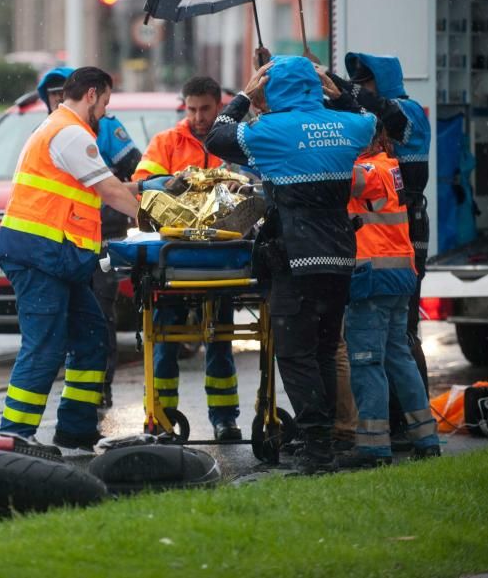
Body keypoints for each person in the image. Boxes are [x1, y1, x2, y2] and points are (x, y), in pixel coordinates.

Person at [205, 56, 376, 473]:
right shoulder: (350, 126)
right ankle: (325, 441)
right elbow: (370, 119)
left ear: (272, 88)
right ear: (317, 87)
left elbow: (216, 137)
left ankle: (316, 449)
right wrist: (337, 91)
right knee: (322, 350)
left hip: (293, 259)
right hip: (338, 255)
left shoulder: (268, 132)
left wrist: (245, 95)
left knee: (296, 356)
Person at [0, 66, 141, 451]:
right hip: (41, 254)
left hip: (54, 255)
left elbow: (99, 185)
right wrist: (156, 219)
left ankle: (75, 429)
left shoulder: (61, 129)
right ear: (91, 95)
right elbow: (108, 190)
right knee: (45, 345)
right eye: (106, 102)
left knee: (92, 336)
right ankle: (15, 435)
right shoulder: (71, 132)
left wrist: (143, 189)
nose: (107, 112)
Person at [327, 54, 431, 444]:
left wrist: (330, 79)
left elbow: (371, 107)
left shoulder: (408, 114)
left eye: (364, 82)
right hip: (397, 237)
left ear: (381, 82)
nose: (360, 89)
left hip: (405, 237)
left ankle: (395, 428)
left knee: (398, 337)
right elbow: (354, 107)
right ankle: (413, 428)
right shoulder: (381, 127)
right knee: (395, 343)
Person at [132, 76, 242, 441]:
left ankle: (225, 419)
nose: (197, 116)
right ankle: (162, 419)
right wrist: (174, 182)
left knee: (220, 339)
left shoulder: (234, 141)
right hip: (175, 256)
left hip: (222, 257)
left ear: (219, 105)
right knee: (164, 342)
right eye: (192, 109)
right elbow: (142, 182)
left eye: (205, 109)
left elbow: (253, 180)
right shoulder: (166, 142)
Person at [36, 67, 142, 409]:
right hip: (63, 243)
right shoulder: (62, 131)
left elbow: (131, 171)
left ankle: (90, 402)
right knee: (63, 331)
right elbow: (103, 189)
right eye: (51, 96)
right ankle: (35, 426)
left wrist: (139, 197)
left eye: (59, 94)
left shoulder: (104, 128)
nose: (55, 101)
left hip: (98, 235)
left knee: (97, 318)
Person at [339, 126, 441, 467]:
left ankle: (373, 447)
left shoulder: (371, 170)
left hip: (373, 278)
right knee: (399, 357)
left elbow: (336, 178)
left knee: (367, 361)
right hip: (398, 276)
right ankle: (426, 438)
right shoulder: (391, 166)